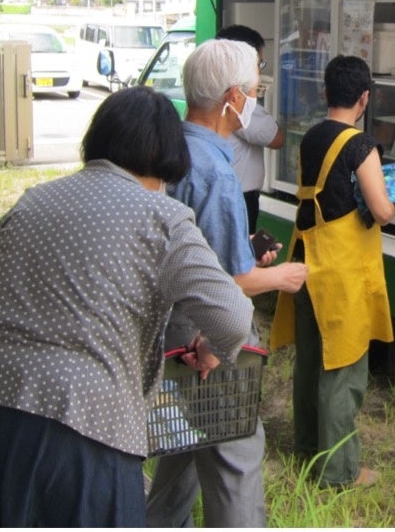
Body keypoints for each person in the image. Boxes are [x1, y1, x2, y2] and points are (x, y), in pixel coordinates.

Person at [0, 86, 255, 527]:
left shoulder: (35, 199)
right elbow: (233, 317)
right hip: (77, 422)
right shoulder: (164, 218)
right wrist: (210, 351)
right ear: (169, 160)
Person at [146, 38, 308, 528]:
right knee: (235, 454)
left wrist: (244, 247)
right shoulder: (215, 171)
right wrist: (281, 276)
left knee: (181, 447)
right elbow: (233, 281)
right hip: (204, 337)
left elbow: (198, 249)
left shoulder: (170, 148)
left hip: (167, 326)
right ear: (233, 98)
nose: (254, 102)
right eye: (254, 92)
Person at [270, 54, 395, 489]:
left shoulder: (312, 136)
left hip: (306, 258)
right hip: (341, 271)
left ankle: (307, 445)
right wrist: (390, 201)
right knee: (343, 366)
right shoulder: (360, 145)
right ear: (365, 98)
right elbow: (381, 210)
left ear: (325, 92)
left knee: (310, 359)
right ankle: (339, 470)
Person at [216, 24, 285, 232]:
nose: (259, 72)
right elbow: (277, 138)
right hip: (237, 198)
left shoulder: (208, 91)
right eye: (258, 64)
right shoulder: (239, 102)